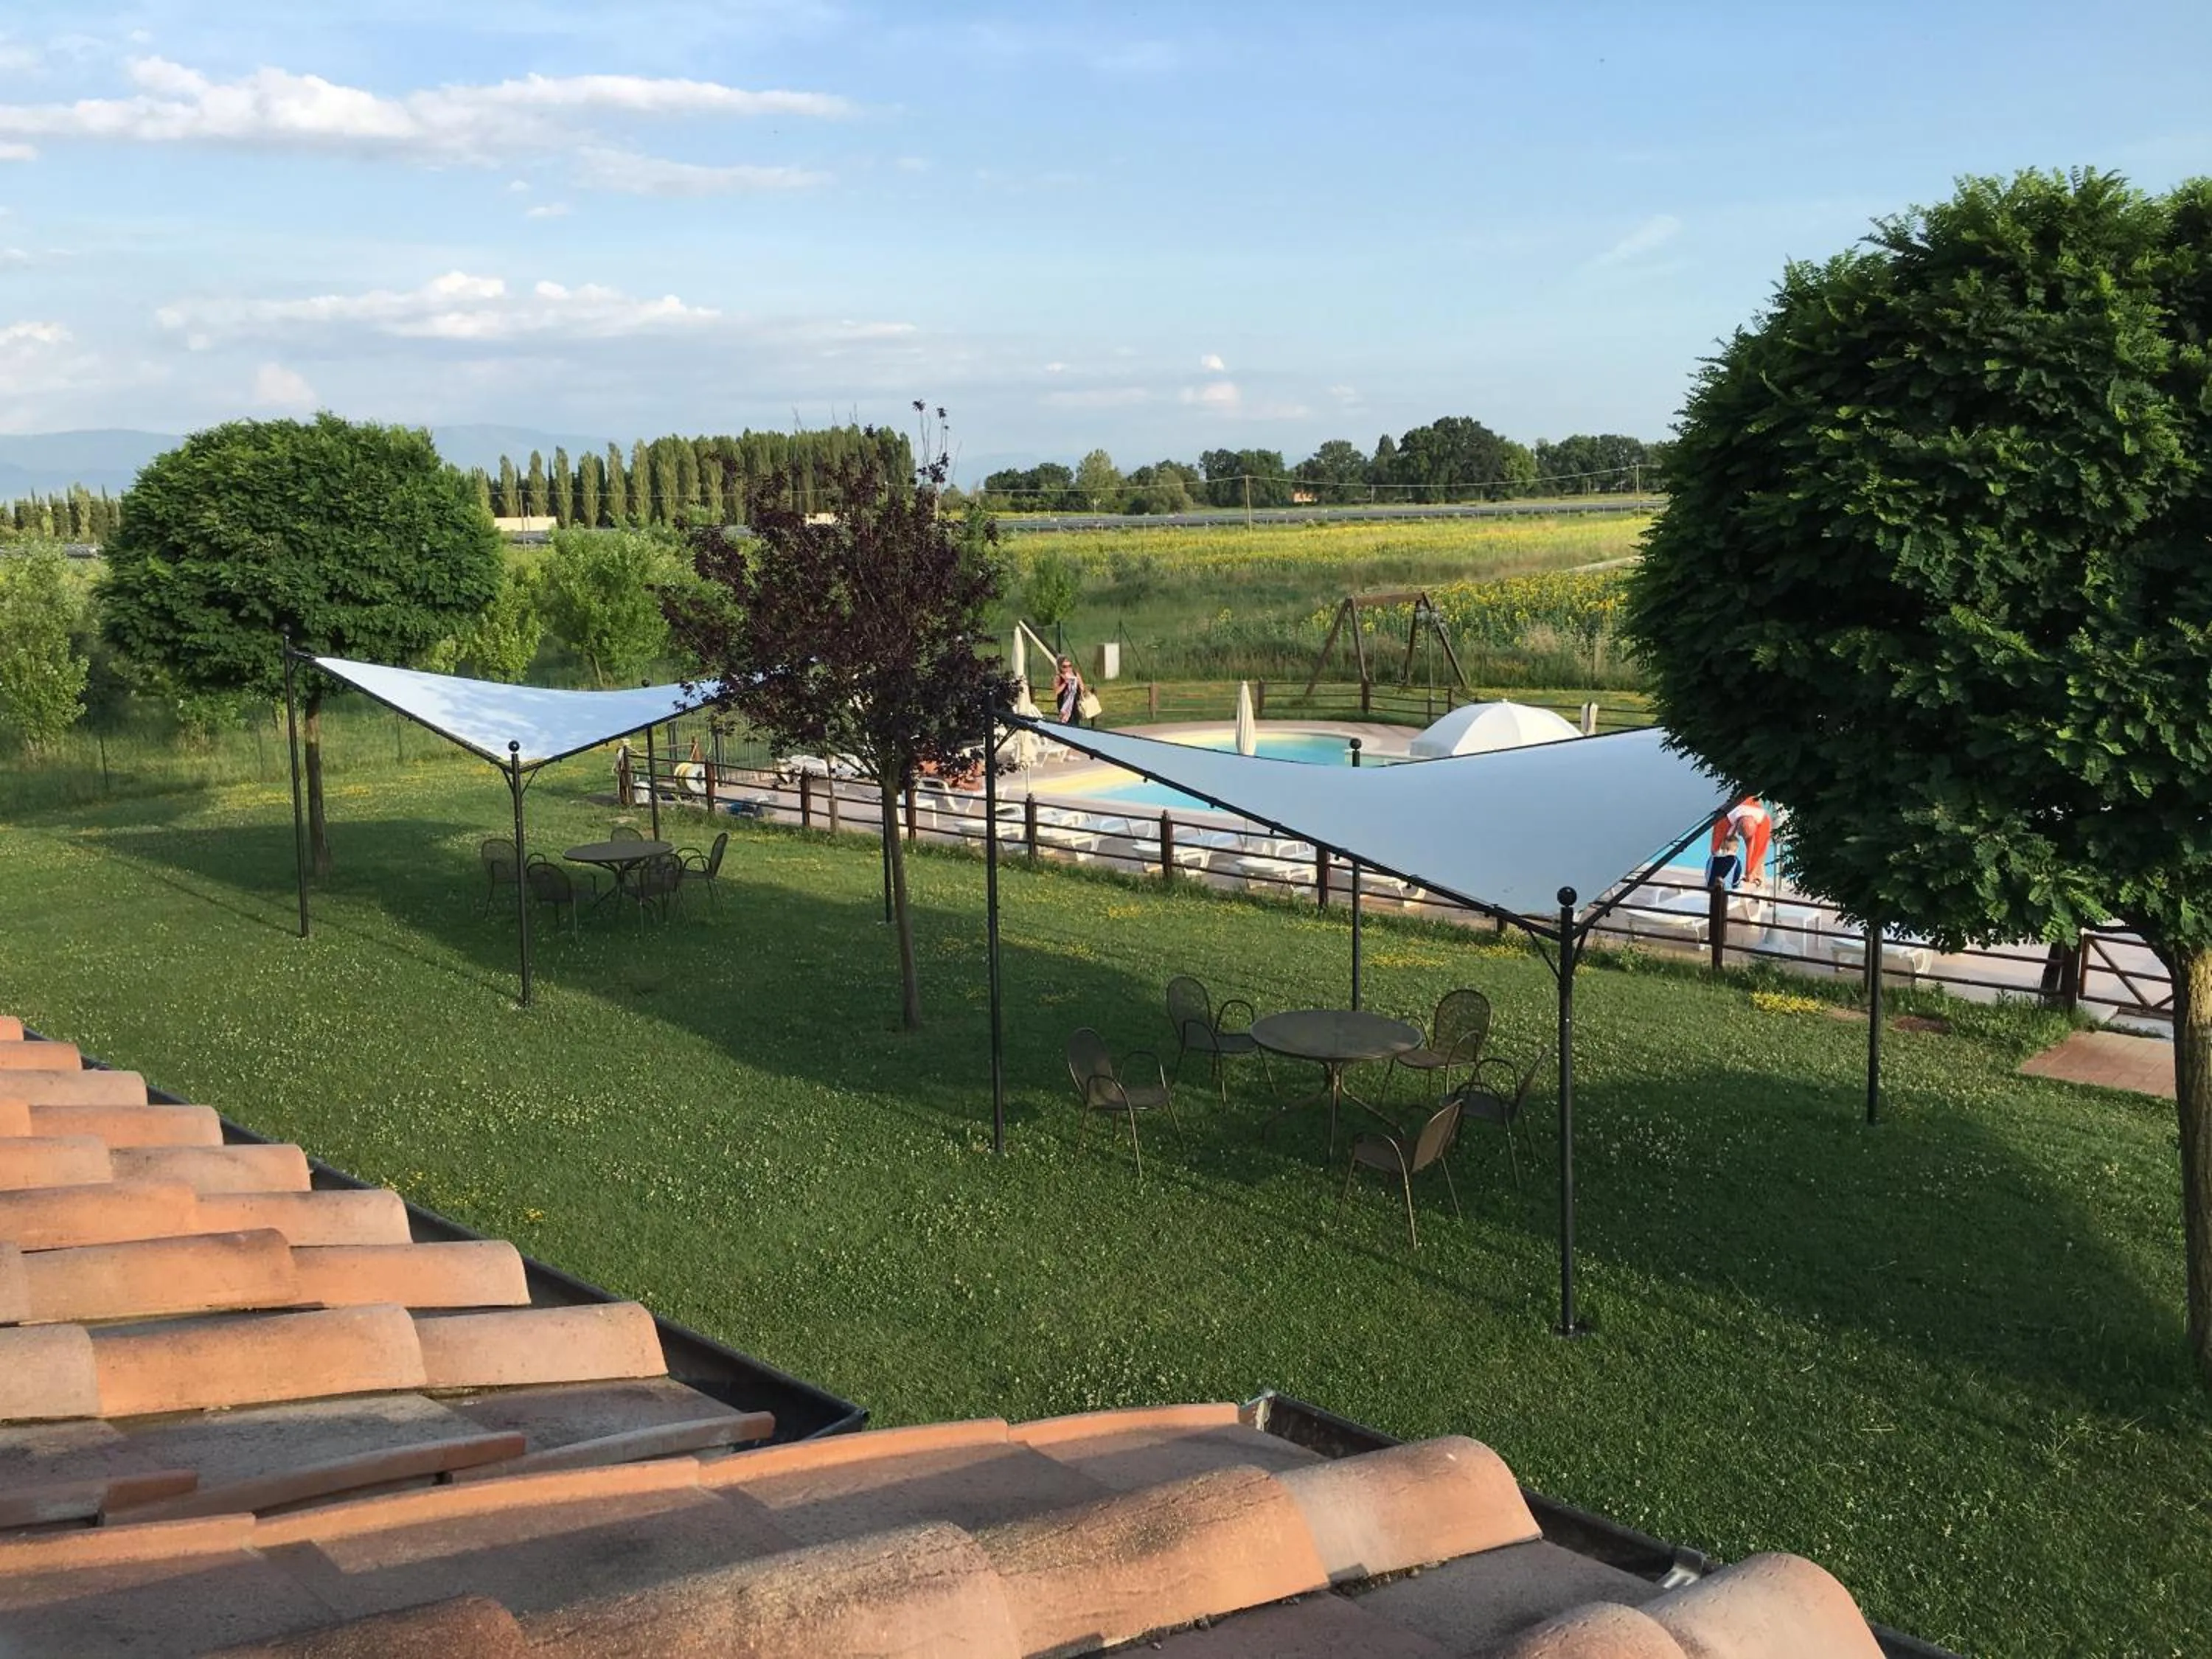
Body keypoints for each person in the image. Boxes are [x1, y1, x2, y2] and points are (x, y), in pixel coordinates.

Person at [1705, 794, 1773, 888]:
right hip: (1735, 809)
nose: (1740, 837)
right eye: (1740, 834)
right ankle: (1719, 880)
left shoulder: (1763, 822)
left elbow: (1757, 853)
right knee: (1721, 851)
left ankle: (1760, 889)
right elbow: (1715, 849)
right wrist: (1717, 854)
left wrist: (1750, 873)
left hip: (1752, 816)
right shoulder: (1725, 817)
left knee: (1759, 860)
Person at [1052, 655, 1086, 726]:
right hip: (1064, 703)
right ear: (1060, 667)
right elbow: (1056, 691)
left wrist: (1077, 687)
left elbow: (1082, 686)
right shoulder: (1058, 677)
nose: (1068, 669)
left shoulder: (1075, 674)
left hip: (1075, 702)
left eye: (1069, 666)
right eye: (1064, 667)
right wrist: (1065, 683)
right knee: (1067, 723)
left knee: (1076, 723)